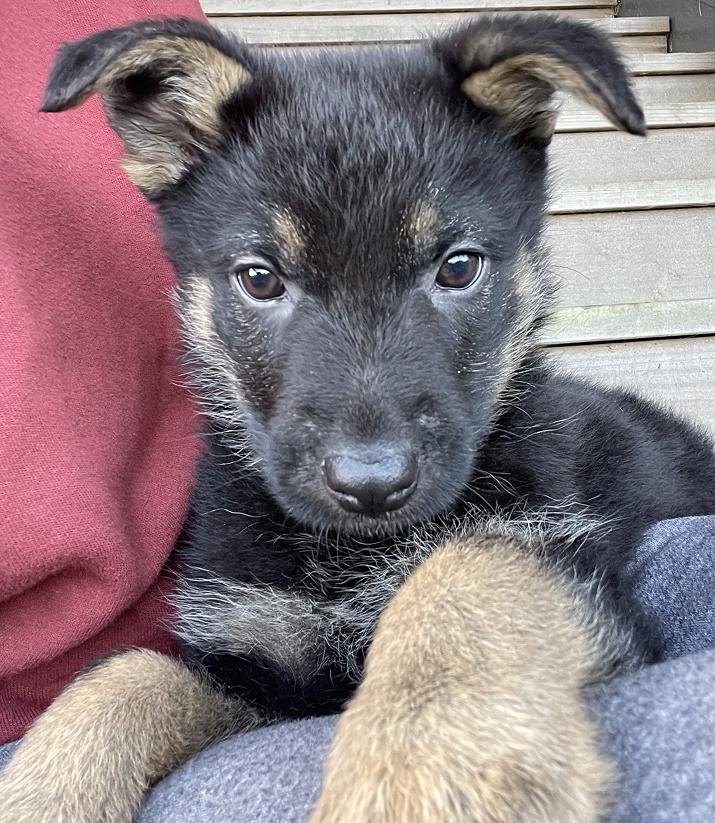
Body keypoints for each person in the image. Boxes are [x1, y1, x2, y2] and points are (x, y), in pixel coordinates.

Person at [1, 1, 713, 821]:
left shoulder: (551, 453)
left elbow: (592, 614)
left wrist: (469, 624)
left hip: (656, 535)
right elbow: (240, 692)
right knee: (124, 693)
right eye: (262, 281)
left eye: (455, 270)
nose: (368, 458)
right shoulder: (232, 520)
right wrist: (109, 717)